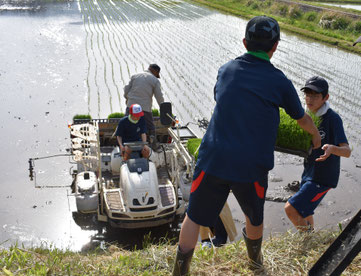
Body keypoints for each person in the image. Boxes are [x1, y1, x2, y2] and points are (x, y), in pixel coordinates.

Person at [172, 15, 322, 276]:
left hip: (213, 158)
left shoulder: (226, 70)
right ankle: (256, 265)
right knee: (255, 217)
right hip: (250, 165)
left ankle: (179, 271)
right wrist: (316, 137)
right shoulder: (279, 81)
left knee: (194, 216)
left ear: (244, 42)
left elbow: (222, 97)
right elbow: (302, 119)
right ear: (275, 46)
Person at [284, 76, 351, 232]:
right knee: (305, 211)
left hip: (323, 177)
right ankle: (311, 236)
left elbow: (347, 151)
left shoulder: (332, 119)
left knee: (290, 209)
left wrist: (332, 149)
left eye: (315, 95)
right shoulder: (305, 117)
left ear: (325, 97)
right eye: (307, 94)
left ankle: (308, 239)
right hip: (309, 173)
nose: (310, 99)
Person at [124, 64, 165, 141]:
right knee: (150, 127)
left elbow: (126, 90)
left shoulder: (135, 76)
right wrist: (163, 108)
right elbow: (159, 97)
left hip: (131, 106)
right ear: (155, 71)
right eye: (157, 74)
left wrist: (128, 99)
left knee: (125, 124)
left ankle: (122, 144)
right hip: (144, 108)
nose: (157, 76)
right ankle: (153, 144)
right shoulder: (154, 80)